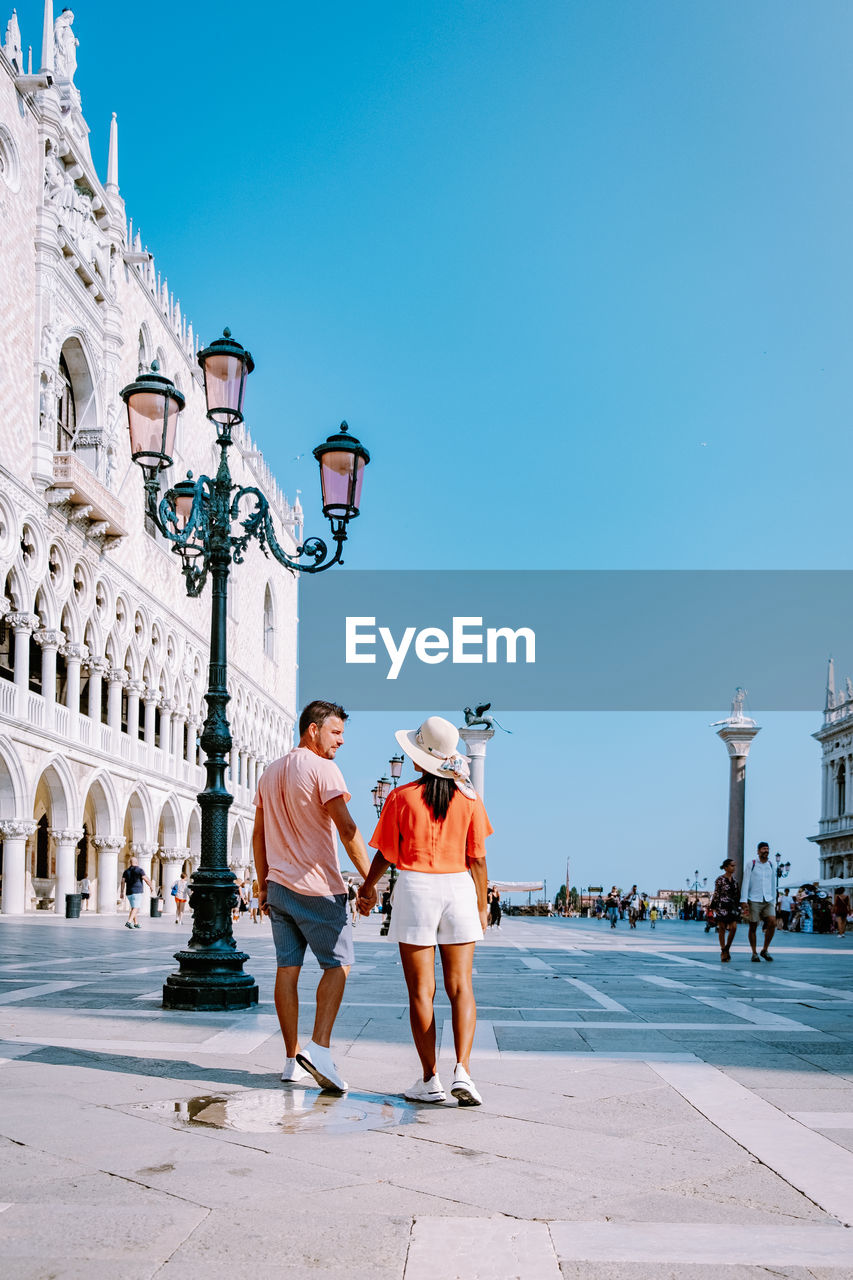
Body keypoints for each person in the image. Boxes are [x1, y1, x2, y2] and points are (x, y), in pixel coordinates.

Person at [357, 716, 491, 1107]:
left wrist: (367, 890)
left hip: (416, 888)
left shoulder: (401, 798)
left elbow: (384, 853)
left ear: (420, 759)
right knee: (461, 986)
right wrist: (482, 905)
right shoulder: (469, 799)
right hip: (459, 889)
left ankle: (430, 1079)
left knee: (422, 991)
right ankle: (463, 1071)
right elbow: (478, 860)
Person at [253, 700, 370, 1093]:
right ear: (312, 730)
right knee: (338, 965)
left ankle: (290, 1060)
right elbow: (348, 829)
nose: (340, 741)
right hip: (319, 888)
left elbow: (258, 833)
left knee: (288, 970)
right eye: (335, 732)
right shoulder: (323, 769)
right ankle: (319, 1048)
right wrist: (370, 881)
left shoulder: (269, 772)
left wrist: (262, 881)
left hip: (280, 888)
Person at [741, 841, 777, 962]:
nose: (765, 851)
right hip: (754, 898)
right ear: (758, 851)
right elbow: (745, 882)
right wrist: (744, 900)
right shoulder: (752, 864)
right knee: (753, 925)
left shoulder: (771, 865)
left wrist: (774, 901)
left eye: (767, 849)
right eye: (763, 849)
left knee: (772, 922)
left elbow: (773, 884)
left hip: (768, 899)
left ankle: (765, 949)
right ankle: (754, 952)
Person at [710, 858, 740, 962]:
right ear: (726, 867)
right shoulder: (720, 879)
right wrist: (713, 907)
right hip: (721, 906)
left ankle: (727, 948)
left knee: (734, 928)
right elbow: (716, 893)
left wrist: (739, 907)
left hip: (732, 907)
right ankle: (723, 950)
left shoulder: (735, 882)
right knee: (722, 928)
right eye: (732, 865)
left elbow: (737, 895)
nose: (734, 867)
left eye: (734, 865)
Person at [120, 857, 153, 929]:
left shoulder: (126, 871)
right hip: (137, 891)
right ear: (137, 862)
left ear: (130, 863)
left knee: (133, 908)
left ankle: (136, 923)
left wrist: (121, 892)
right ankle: (129, 922)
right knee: (136, 908)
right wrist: (151, 886)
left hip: (129, 892)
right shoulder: (139, 870)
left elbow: (122, 882)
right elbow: (146, 879)